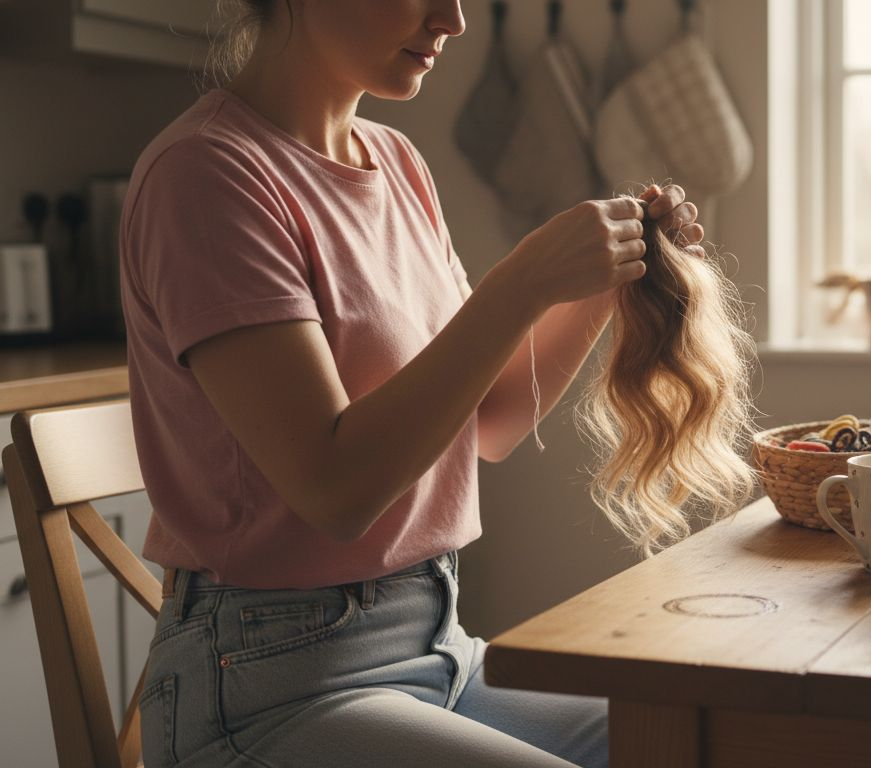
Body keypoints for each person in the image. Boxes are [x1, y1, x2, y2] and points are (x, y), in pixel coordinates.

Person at [120, 2, 707, 766]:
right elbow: (336, 490)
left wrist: (603, 281)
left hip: (438, 646)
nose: (454, 19)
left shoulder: (395, 163)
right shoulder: (206, 175)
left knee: (690, 743)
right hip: (268, 690)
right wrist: (524, 282)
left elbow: (488, 421)